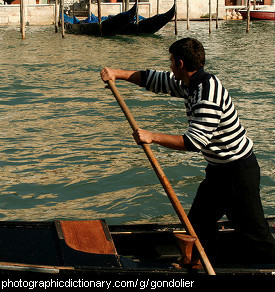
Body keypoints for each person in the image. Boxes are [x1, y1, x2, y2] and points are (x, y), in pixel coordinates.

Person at [100, 38, 275, 264]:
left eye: (171, 62)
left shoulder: (207, 94)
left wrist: (152, 136)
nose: (170, 66)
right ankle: (200, 262)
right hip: (219, 171)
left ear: (181, 63)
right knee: (199, 225)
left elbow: (194, 142)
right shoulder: (190, 83)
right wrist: (117, 74)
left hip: (238, 173)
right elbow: (156, 79)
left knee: (255, 237)